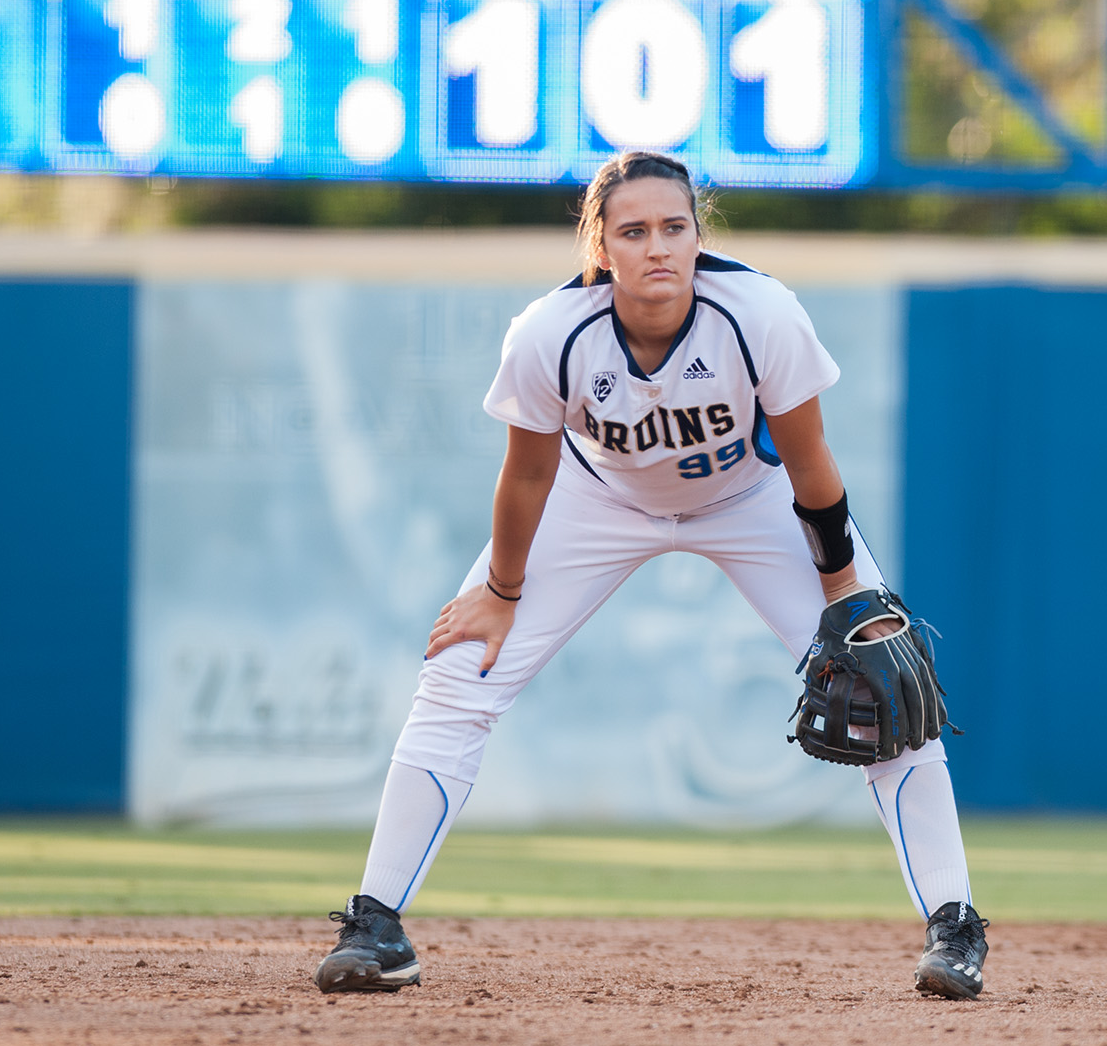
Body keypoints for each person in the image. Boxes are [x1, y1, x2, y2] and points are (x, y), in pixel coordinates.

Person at [312, 151, 989, 1000]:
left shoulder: (760, 314)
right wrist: (501, 592)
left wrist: (845, 590)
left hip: (753, 497)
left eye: (675, 227)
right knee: (456, 676)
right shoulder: (550, 334)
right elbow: (528, 475)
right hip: (600, 502)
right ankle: (376, 926)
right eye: (634, 231)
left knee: (890, 694)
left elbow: (812, 467)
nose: (658, 247)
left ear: (699, 235)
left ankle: (955, 926)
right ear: (600, 248)